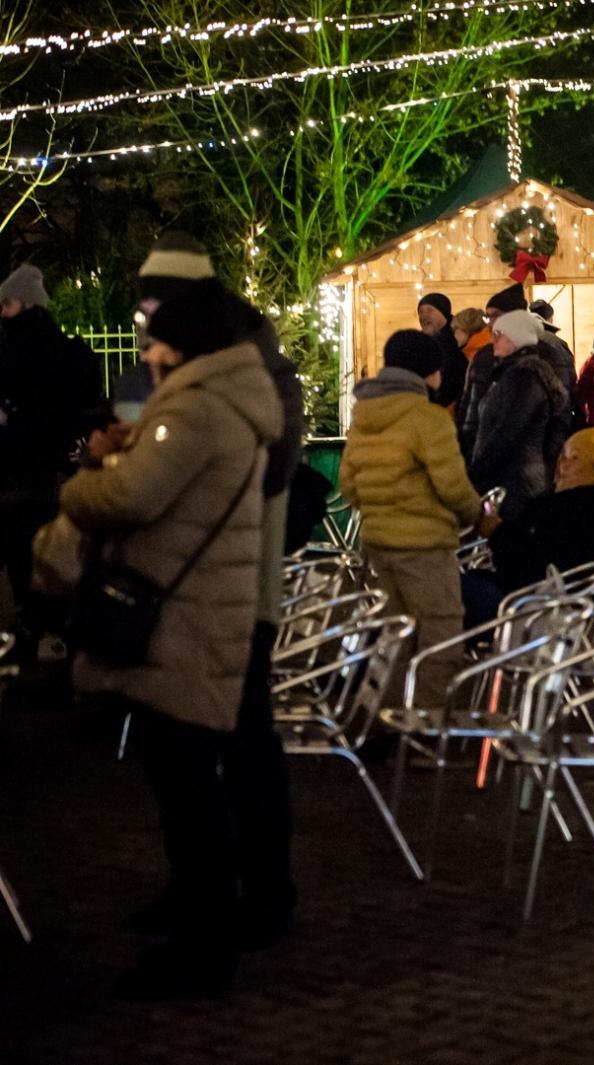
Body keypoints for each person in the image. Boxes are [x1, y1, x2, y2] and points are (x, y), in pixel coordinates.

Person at [57, 279, 282, 998]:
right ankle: (198, 920)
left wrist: (84, 475)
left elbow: (133, 496)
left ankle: (203, 942)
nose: (147, 352)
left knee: (189, 784)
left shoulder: (198, 407)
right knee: (187, 777)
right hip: (204, 609)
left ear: (182, 345)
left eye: (156, 339)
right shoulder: (227, 401)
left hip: (186, 616)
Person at [129, 232, 303, 954]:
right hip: (205, 582)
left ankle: (257, 892)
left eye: (150, 309)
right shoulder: (228, 361)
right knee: (195, 745)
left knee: (234, 744)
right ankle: (217, 888)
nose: (143, 327)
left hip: (231, 587)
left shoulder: (244, 372)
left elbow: (249, 476)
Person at [340, 330, 483, 707]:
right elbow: (453, 487)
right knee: (441, 635)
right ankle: (424, 728)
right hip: (425, 548)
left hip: (378, 544)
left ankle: (382, 721)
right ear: (428, 372)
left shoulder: (363, 416)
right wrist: (480, 515)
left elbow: (348, 486)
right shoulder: (428, 418)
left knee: (392, 636)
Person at [0, 263, 102, 665]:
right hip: (54, 467)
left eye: (6, 304)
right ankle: (52, 629)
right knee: (51, 549)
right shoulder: (66, 352)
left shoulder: (13, 349)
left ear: (23, 303)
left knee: (21, 549)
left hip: (16, 465)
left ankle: (33, 627)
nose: (2, 312)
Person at [467, 425, 594, 625]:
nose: (562, 463)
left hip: (532, 608)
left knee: (444, 591)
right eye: (563, 454)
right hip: (528, 597)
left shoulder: (585, 511)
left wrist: (497, 531)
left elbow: (536, 564)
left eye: (574, 457)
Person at [470, 310, 571, 528]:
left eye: (500, 334)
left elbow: (508, 431)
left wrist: (475, 472)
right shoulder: (511, 374)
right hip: (512, 477)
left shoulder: (524, 378)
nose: (493, 339)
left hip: (516, 483)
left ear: (516, 338)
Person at [457, 283, 527, 456]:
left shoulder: (538, 352)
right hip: (479, 449)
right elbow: (468, 402)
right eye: (488, 317)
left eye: (496, 315)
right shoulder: (484, 355)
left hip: (519, 454)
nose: (491, 323)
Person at [417, 293, 467, 410]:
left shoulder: (457, 341)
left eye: (429, 310)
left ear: (443, 313)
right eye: (420, 312)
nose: (423, 316)